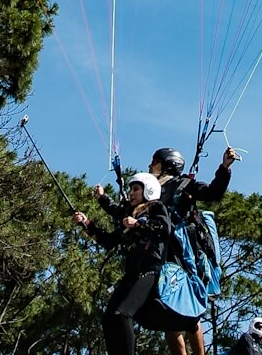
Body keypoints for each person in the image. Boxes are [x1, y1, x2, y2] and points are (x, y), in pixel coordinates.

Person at [76, 172, 199, 355]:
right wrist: (87, 224)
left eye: (135, 189)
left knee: (123, 314)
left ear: (148, 190)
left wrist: (137, 224)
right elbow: (109, 241)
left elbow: (163, 228)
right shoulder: (129, 218)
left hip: (150, 272)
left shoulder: (157, 207)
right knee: (109, 319)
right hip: (132, 275)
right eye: (130, 189)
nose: (131, 193)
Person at [151, 145, 239, 355]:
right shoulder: (149, 190)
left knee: (190, 315)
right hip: (161, 254)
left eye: (154, 161)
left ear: (166, 165)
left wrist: (224, 167)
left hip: (185, 253)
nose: (149, 165)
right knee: (168, 316)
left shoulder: (185, 185)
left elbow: (213, 193)